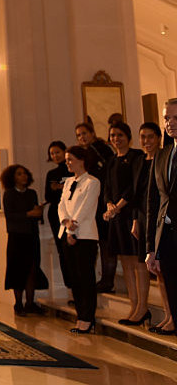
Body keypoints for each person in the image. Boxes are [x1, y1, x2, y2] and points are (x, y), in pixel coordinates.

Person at [103, 122, 149, 325]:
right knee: (126, 263)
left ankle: (143, 307)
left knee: (139, 263)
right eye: (112, 135)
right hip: (117, 216)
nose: (116, 138)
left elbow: (134, 186)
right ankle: (133, 304)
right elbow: (107, 188)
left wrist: (118, 206)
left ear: (128, 137)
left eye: (120, 135)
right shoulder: (111, 160)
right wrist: (110, 205)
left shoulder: (136, 157)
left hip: (132, 213)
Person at [59, 145, 101, 333]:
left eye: (70, 159)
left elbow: (85, 209)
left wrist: (72, 228)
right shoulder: (68, 182)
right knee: (74, 278)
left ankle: (88, 317)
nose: (67, 162)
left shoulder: (92, 182)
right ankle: (79, 315)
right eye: (67, 159)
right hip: (68, 232)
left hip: (85, 235)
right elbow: (61, 205)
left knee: (86, 278)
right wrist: (65, 221)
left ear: (81, 160)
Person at [136, 122, 172, 333]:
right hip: (150, 220)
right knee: (160, 272)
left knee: (165, 272)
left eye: (151, 137)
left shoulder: (165, 157)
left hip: (165, 220)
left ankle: (171, 316)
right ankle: (169, 314)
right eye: (143, 137)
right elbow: (143, 195)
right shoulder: (143, 161)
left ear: (159, 138)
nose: (147, 141)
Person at [147, 99, 177, 341]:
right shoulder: (162, 155)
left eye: (176, 118)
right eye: (167, 118)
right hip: (167, 240)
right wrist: (152, 249)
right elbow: (154, 205)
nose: (170, 123)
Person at [2, 164, 49, 316]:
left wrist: (37, 212)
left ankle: (30, 303)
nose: (23, 177)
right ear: (13, 178)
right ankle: (18, 304)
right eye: (19, 174)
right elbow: (11, 216)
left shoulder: (32, 193)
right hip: (16, 237)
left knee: (32, 269)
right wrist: (29, 213)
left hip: (31, 236)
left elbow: (37, 214)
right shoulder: (9, 194)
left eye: (25, 173)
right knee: (17, 270)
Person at [76, 121, 116, 292]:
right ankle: (101, 278)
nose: (82, 137)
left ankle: (108, 280)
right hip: (92, 204)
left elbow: (106, 173)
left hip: (104, 201)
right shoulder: (83, 153)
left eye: (84, 133)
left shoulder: (101, 149)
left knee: (107, 243)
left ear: (92, 133)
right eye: (78, 135)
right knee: (99, 242)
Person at [44, 140, 73, 289]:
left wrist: (61, 187)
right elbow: (49, 196)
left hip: (73, 213)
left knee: (73, 250)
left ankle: (78, 285)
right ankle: (69, 285)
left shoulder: (73, 170)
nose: (55, 155)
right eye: (52, 153)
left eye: (57, 152)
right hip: (56, 214)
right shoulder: (52, 173)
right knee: (62, 250)